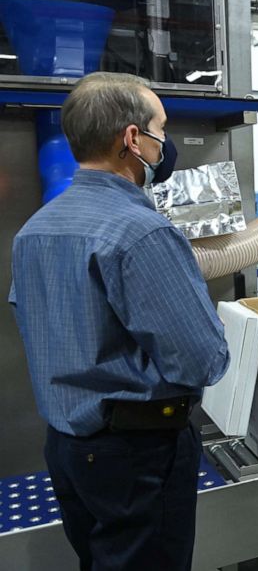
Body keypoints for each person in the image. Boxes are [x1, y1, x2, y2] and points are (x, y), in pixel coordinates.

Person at [8, 72, 230, 571]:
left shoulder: (34, 230)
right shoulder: (142, 232)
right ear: (133, 139)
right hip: (137, 455)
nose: (164, 145)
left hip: (67, 448)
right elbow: (200, 360)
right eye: (161, 130)